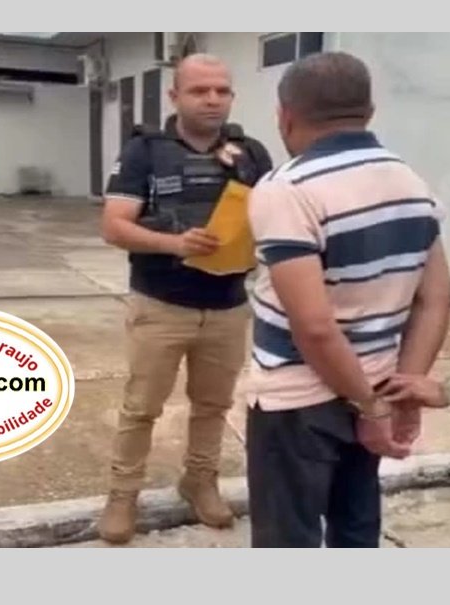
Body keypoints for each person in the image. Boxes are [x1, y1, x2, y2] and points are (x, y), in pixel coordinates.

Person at [245, 51, 450, 548]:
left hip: (297, 402)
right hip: (378, 381)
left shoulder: (286, 188)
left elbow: (314, 326)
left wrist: (372, 409)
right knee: (357, 529)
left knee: (286, 541)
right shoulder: (411, 183)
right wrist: (401, 392)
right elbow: (439, 298)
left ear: (285, 116)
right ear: (369, 112)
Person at [97, 53, 273, 544]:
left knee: (212, 405)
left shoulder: (251, 153)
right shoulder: (144, 153)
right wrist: (174, 243)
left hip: (228, 306)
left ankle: (199, 480)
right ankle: (122, 494)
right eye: (199, 90)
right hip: (161, 305)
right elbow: (113, 227)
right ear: (175, 96)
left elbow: (273, 214)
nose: (212, 99)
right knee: (141, 408)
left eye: (222, 90)